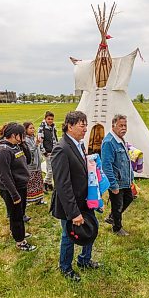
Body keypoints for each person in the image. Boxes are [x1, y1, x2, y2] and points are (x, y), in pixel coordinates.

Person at [51, 111, 100, 282]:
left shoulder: (79, 144)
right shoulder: (61, 149)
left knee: (91, 228)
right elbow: (63, 185)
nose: (86, 128)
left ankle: (84, 260)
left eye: (86, 124)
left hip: (84, 200)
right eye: (82, 125)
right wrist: (74, 214)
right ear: (70, 126)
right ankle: (65, 267)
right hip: (70, 204)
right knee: (69, 236)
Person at [0, 122, 36, 251]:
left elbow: (27, 159)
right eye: (21, 135)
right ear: (13, 135)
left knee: (19, 213)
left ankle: (16, 232)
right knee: (16, 215)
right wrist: (14, 194)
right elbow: (3, 176)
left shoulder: (15, 146)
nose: (24, 137)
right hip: (12, 189)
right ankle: (20, 241)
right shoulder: (2, 151)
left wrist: (23, 144)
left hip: (21, 186)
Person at [101, 114, 134, 236]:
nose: (124, 128)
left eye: (125, 125)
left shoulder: (120, 139)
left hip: (125, 180)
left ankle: (112, 217)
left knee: (129, 198)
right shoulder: (109, 142)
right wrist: (113, 185)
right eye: (121, 125)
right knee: (117, 205)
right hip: (117, 182)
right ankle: (117, 228)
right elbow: (106, 165)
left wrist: (131, 176)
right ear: (113, 126)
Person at [23, 122, 45, 205]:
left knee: (38, 182)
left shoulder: (33, 138)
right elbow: (29, 151)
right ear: (25, 129)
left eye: (33, 128)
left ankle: (39, 199)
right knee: (30, 183)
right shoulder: (25, 140)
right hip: (31, 166)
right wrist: (36, 144)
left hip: (37, 164)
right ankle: (28, 200)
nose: (32, 130)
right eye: (30, 128)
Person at [38, 111, 58, 192]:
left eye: (52, 119)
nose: (50, 121)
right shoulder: (42, 128)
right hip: (47, 151)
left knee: (49, 168)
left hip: (53, 150)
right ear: (45, 119)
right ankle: (44, 183)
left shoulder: (53, 127)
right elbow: (40, 141)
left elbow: (54, 138)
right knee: (51, 170)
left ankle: (49, 184)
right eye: (48, 119)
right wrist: (44, 151)